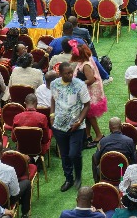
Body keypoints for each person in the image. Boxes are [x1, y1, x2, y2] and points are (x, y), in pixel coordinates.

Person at [52, 61, 90, 193]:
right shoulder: (54, 83)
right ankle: (69, 178)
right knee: (64, 154)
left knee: (74, 153)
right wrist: (52, 114)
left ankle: (78, 175)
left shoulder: (79, 84)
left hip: (76, 126)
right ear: (60, 73)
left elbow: (87, 105)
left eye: (71, 72)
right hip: (59, 126)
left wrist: (79, 121)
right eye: (67, 73)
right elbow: (53, 99)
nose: (70, 75)